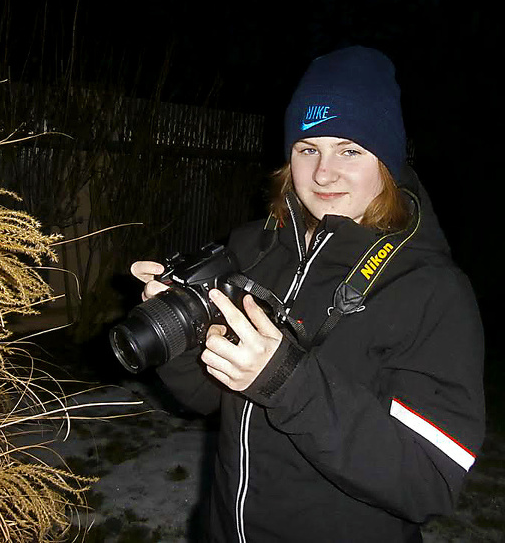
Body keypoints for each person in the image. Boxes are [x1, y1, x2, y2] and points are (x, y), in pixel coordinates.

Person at [130, 46, 484, 542]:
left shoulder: (430, 289)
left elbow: (428, 480)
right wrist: (178, 328)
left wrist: (285, 381)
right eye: (308, 148)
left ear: (388, 160)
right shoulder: (255, 246)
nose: (323, 172)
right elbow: (209, 398)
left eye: (350, 149)